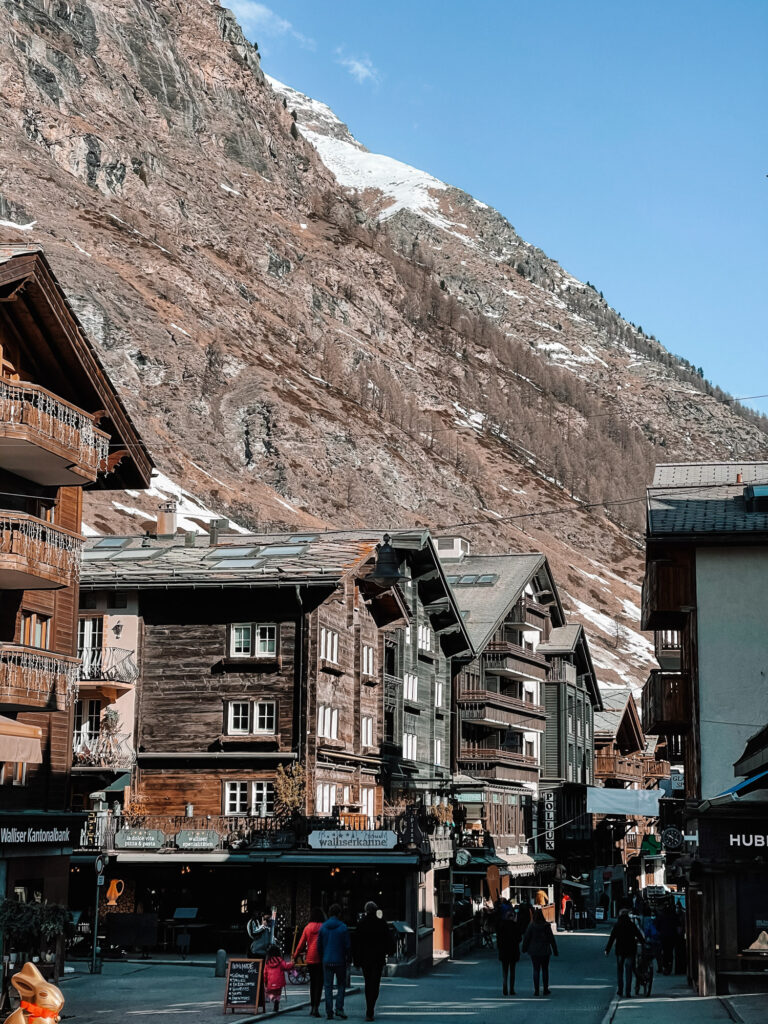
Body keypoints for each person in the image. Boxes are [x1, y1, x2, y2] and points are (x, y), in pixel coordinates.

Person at [351, 901, 395, 1021]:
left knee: (368, 982)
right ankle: (371, 1008)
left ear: (366, 911)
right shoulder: (381, 923)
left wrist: (356, 960)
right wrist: (390, 952)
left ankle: (369, 1008)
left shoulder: (361, 923)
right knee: (375, 983)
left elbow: (356, 944)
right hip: (378, 958)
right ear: (375, 910)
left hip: (365, 959)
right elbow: (388, 939)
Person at [318, 903, 350, 1020]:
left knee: (328, 986)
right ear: (339, 914)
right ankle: (339, 1008)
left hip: (327, 960)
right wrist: (348, 958)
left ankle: (329, 1011)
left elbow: (319, 946)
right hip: (340, 960)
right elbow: (347, 945)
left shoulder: (323, 927)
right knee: (341, 984)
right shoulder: (343, 927)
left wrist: (322, 956)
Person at [604, 908, 644, 998]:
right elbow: (639, 935)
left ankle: (620, 990)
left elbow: (612, 938)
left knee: (620, 970)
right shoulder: (631, 925)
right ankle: (628, 991)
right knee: (629, 971)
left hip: (620, 950)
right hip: (630, 950)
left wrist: (607, 949)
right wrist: (644, 943)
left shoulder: (617, 925)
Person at [296, 907, 326, 1018]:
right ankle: (316, 1007)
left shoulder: (307, 927)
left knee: (313, 983)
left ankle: (312, 1005)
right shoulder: (324, 927)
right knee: (319, 983)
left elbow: (301, 943)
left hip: (310, 958)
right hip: (321, 958)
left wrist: (295, 955)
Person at [522, 907, 558, 996]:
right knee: (545, 969)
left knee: (536, 970)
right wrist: (555, 950)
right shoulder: (546, 926)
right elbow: (551, 939)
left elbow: (527, 938)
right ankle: (545, 989)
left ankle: (536, 990)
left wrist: (524, 948)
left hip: (534, 951)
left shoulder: (531, 926)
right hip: (545, 950)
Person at [496, 902, 522, 996]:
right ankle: (511, 989)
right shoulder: (515, 926)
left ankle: (504, 986)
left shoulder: (501, 926)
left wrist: (499, 948)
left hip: (504, 951)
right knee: (512, 970)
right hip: (513, 951)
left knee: (505, 970)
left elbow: (499, 939)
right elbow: (519, 939)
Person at [263, 943, 293, 1014]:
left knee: (269, 992)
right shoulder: (280, 961)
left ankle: (272, 998)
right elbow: (286, 966)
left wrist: (264, 981)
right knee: (278, 993)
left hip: (270, 981)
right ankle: (277, 1001)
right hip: (279, 981)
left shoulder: (267, 962)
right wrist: (292, 964)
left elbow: (265, 972)